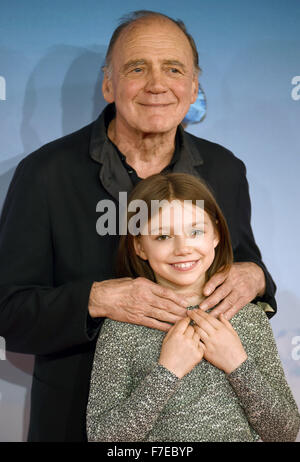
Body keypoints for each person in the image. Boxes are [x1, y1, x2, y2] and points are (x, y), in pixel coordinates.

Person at [0, 10, 276, 441]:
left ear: (193, 85)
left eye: (173, 69)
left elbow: (246, 263)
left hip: (209, 426)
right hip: (76, 421)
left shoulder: (224, 170)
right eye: (137, 68)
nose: (157, 84)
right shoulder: (45, 173)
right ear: (108, 83)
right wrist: (95, 300)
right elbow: (9, 310)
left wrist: (255, 277)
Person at [87, 173, 300, 442]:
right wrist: (168, 371)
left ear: (217, 234)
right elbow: (104, 439)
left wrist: (236, 362)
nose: (183, 248)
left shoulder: (248, 318)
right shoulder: (121, 327)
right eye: (163, 236)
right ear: (139, 246)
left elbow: (284, 431)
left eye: (195, 231)